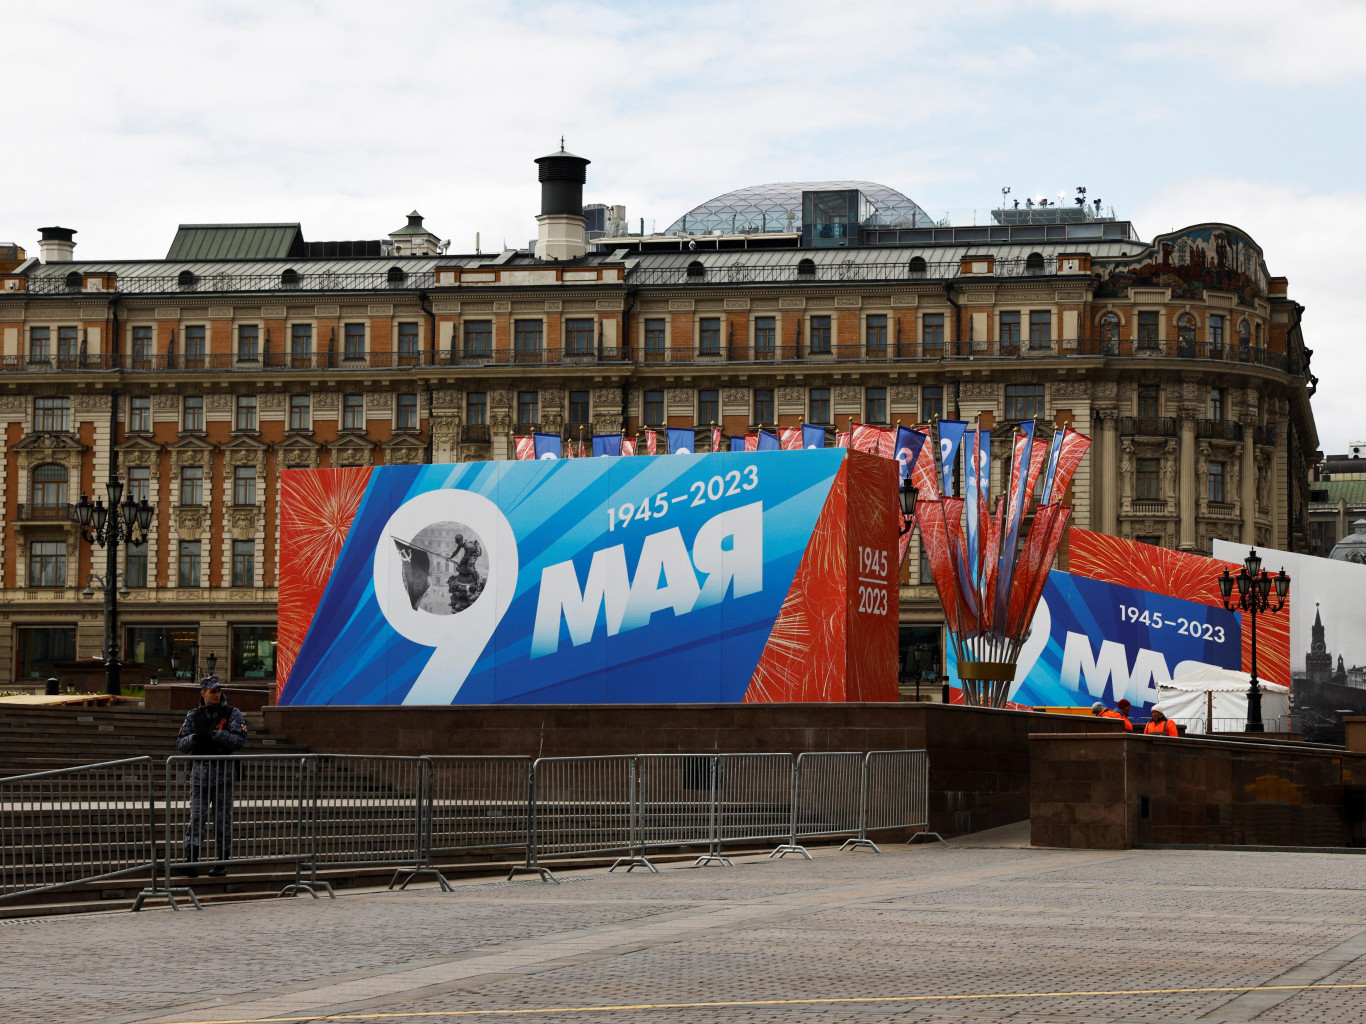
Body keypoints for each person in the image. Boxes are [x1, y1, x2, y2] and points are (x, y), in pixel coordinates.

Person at [175, 676, 248, 876]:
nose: (216, 694)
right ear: (203, 693)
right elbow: (181, 743)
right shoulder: (193, 715)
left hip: (223, 773)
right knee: (197, 816)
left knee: (222, 818)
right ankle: (191, 860)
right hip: (200, 773)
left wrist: (218, 735)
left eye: (218, 691)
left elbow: (240, 739)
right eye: (212, 691)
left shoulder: (231, 713)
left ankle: (222, 861)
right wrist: (195, 738)